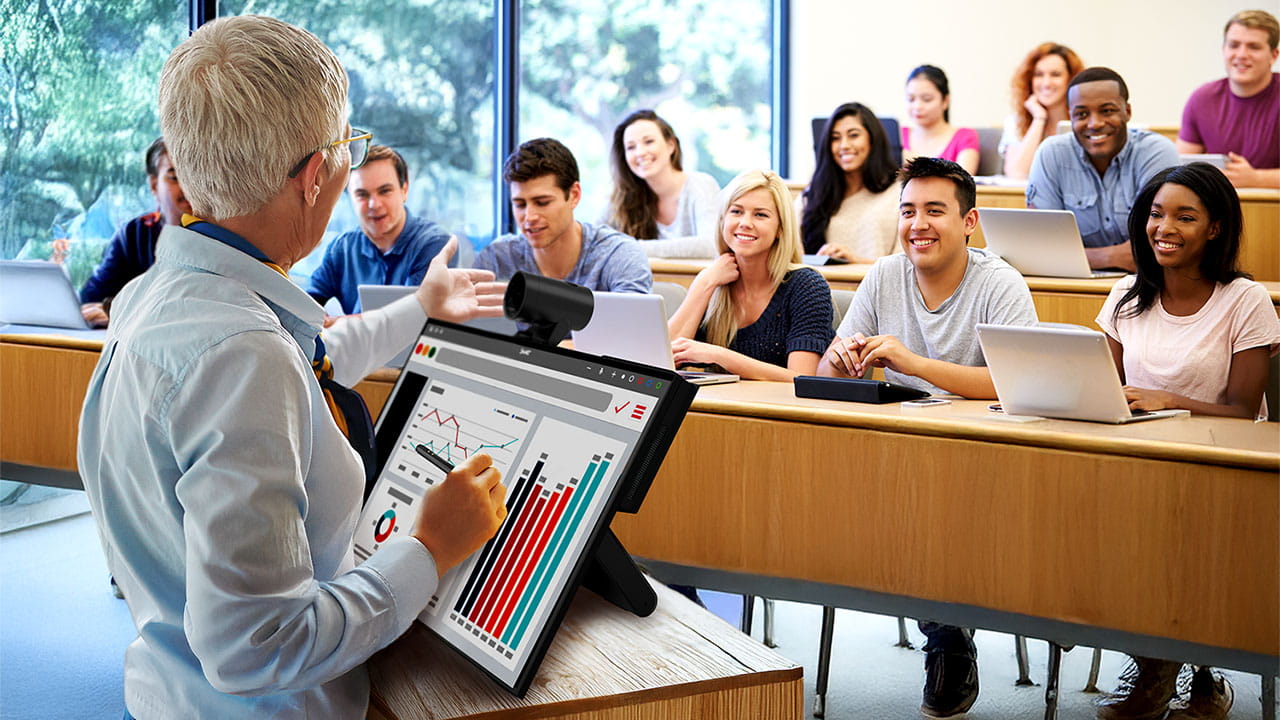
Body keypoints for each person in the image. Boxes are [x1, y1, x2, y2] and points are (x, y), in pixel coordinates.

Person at [77, 16, 509, 719]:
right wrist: (429, 547)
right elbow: (258, 645)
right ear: (314, 177)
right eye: (347, 150)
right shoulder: (242, 356)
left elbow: (316, 359)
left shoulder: (155, 297)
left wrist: (422, 306)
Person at [818, 157, 1037, 718]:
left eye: (934, 211)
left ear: (969, 221)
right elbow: (824, 376)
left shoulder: (1000, 283)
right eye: (908, 210)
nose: (919, 223)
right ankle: (945, 632)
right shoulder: (886, 274)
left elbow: (1015, 383)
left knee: (930, 507)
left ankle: (946, 641)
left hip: (981, 456)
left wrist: (913, 362)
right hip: (896, 454)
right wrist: (842, 362)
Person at [1094, 163, 1278, 720]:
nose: (1163, 227)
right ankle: (1187, 671)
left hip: (1222, 465)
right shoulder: (1128, 293)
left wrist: (1165, 399)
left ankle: (1158, 673)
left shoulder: (1244, 299)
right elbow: (1105, 388)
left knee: (1169, 538)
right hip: (1140, 458)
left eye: (1184, 216)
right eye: (1155, 214)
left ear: (1216, 228)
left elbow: (1244, 411)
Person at [666, 169, 833, 381]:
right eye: (736, 211)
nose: (745, 222)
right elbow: (661, 361)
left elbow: (802, 378)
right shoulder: (714, 282)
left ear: (781, 228)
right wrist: (704, 284)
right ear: (722, 220)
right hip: (724, 410)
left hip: (785, 411)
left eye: (760, 214)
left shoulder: (807, 286)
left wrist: (718, 355)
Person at [1026, 67, 1180, 273]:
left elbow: (1157, 248)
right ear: (1069, 117)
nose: (1095, 123)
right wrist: (1112, 256)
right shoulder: (1051, 154)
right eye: (1081, 114)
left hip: (1149, 283)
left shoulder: (1156, 152)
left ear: (1127, 111)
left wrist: (1073, 255)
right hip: (1072, 284)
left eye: (1107, 111)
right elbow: (1039, 247)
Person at [475, 137, 652, 293]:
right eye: (520, 204)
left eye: (542, 202)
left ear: (574, 195)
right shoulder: (499, 257)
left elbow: (633, 329)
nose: (529, 217)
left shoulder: (618, 255)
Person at [307, 144, 452, 314]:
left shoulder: (435, 246)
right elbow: (306, 305)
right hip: (355, 339)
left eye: (384, 191)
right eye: (362, 194)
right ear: (350, 198)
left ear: (404, 190)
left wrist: (334, 325)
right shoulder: (342, 248)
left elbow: (409, 319)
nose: (374, 204)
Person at [78, 137, 193, 327]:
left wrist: (125, 314)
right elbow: (93, 298)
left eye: (196, 177)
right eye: (175, 177)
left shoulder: (224, 234)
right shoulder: (134, 233)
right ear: (154, 185)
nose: (189, 187)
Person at [1177, 9, 1280, 189]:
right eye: (1234, 45)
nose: (1241, 55)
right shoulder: (1202, 99)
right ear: (1224, 50)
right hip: (1218, 210)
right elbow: (1178, 169)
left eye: (1253, 47)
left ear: (1273, 55)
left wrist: (1257, 179)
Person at [605, 109, 721, 258]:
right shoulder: (622, 197)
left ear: (671, 145)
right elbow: (595, 243)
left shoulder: (700, 185)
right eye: (631, 147)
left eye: (649, 142)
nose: (640, 152)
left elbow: (711, 245)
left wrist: (630, 247)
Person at [797, 102, 901, 263]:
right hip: (824, 286)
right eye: (835, 138)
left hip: (878, 286)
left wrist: (853, 261)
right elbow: (788, 253)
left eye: (853, 135)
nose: (844, 145)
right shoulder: (813, 195)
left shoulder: (900, 193)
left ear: (872, 139)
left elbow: (906, 267)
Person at [1000, 43, 1086, 179]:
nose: (1046, 83)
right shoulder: (1015, 121)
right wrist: (1039, 119)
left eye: (1055, 75)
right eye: (1039, 75)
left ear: (1071, 79)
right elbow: (1017, 174)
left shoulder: (1085, 120)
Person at [901, 65, 980, 176]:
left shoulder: (965, 136)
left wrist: (911, 161)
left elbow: (963, 181)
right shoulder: (897, 135)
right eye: (911, 99)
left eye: (927, 99)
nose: (917, 106)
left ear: (945, 101)